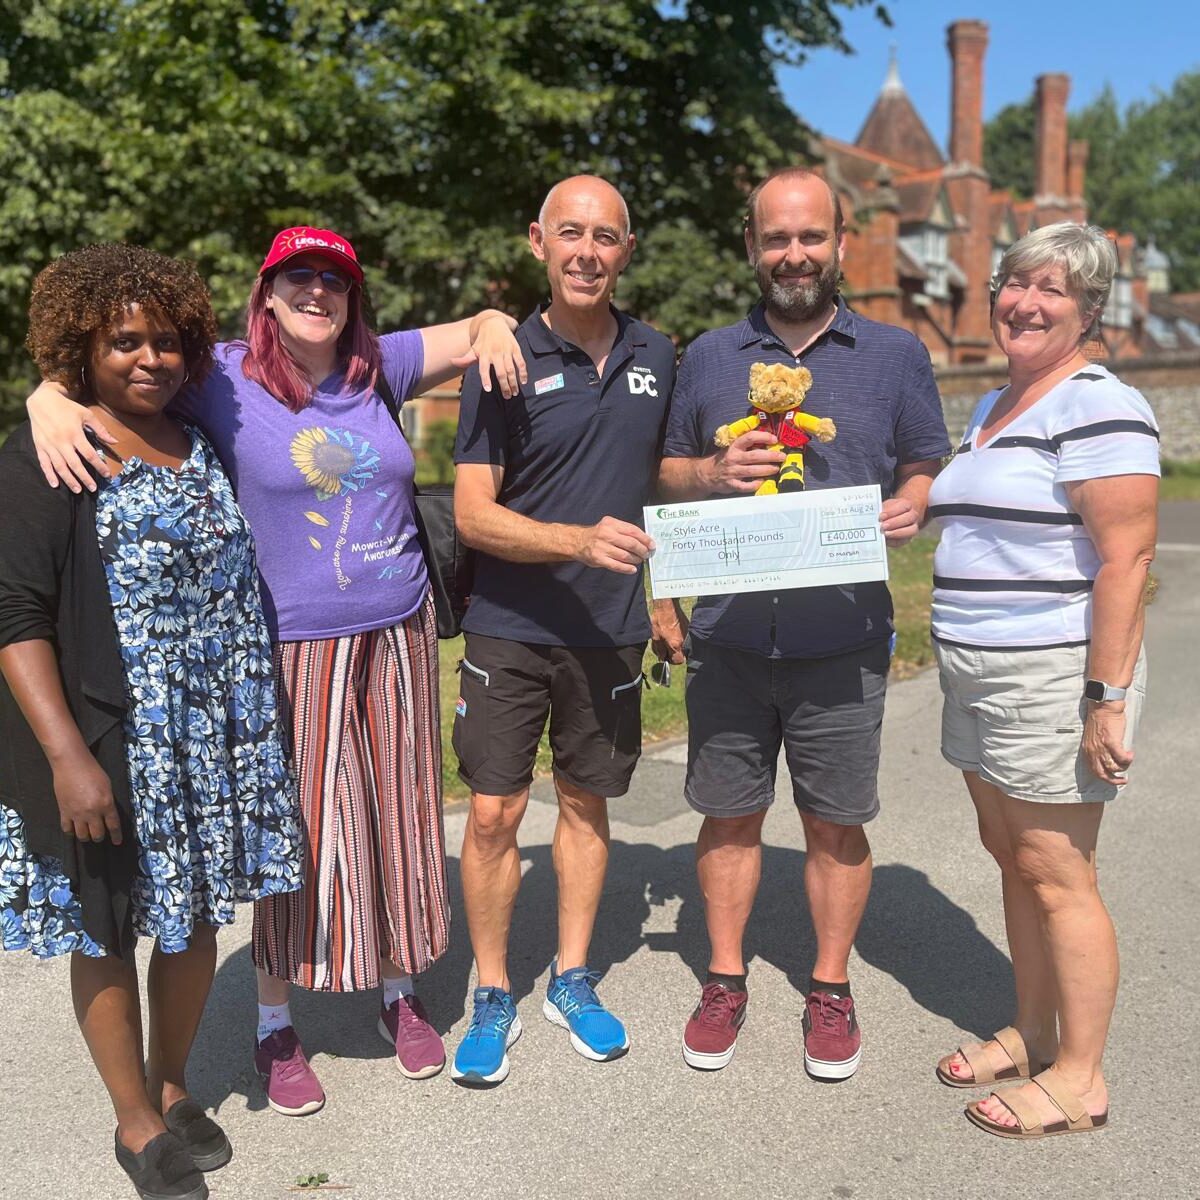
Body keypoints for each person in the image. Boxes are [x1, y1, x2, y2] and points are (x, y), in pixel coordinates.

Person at [25, 226, 527, 1115]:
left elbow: (481, 326)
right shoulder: (218, 376)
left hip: (400, 634)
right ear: (265, 293)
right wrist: (44, 400)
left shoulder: (379, 364)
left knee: (400, 824)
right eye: (297, 277)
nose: (317, 293)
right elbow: (107, 360)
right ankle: (273, 1020)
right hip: (291, 648)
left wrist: (492, 320)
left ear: (352, 298)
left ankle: (397, 992)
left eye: (334, 281)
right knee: (295, 838)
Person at [0, 244, 304, 1200]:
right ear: (77, 352)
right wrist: (66, 756)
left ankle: (172, 1088)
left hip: (212, 737)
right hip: (112, 736)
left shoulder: (192, 435)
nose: (149, 358)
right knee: (106, 928)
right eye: (122, 341)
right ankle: (134, 1127)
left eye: (165, 340)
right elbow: (16, 617)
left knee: (193, 922)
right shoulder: (51, 450)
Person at [655, 167, 951, 1076]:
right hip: (731, 638)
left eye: (810, 237)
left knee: (835, 824)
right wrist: (709, 475)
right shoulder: (705, 355)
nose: (794, 254)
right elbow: (662, 472)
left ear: (840, 241)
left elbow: (927, 460)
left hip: (845, 637)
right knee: (728, 817)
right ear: (751, 247)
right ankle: (725, 976)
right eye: (775, 238)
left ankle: (830, 988)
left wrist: (913, 503)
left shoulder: (896, 353)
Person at [929, 222, 1158, 1139]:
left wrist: (1106, 699)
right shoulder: (993, 404)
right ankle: (1030, 1030)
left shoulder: (1099, 403)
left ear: (1090, 310)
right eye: (1013, 285)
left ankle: (1079, 1077)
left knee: (1060, 872)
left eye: (1052, 290)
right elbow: (975, 516)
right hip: (975, 669)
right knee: (1014, 860)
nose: (1024, 303)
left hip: (1051, 674)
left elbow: (1128, 560)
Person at [449, 175, 676, 1085]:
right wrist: (573, 541)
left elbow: (667, 478)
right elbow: (472, 513)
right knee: (497, 812)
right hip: (508, 624)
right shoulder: (501, 356)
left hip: (611, 629)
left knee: (586, 803)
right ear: (536, 240)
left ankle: (572, 980)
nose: (588, 251)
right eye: (570, 233)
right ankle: (494, 991)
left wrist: (674, 582)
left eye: (607, 236)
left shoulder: (662, 353)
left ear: (627, 250)